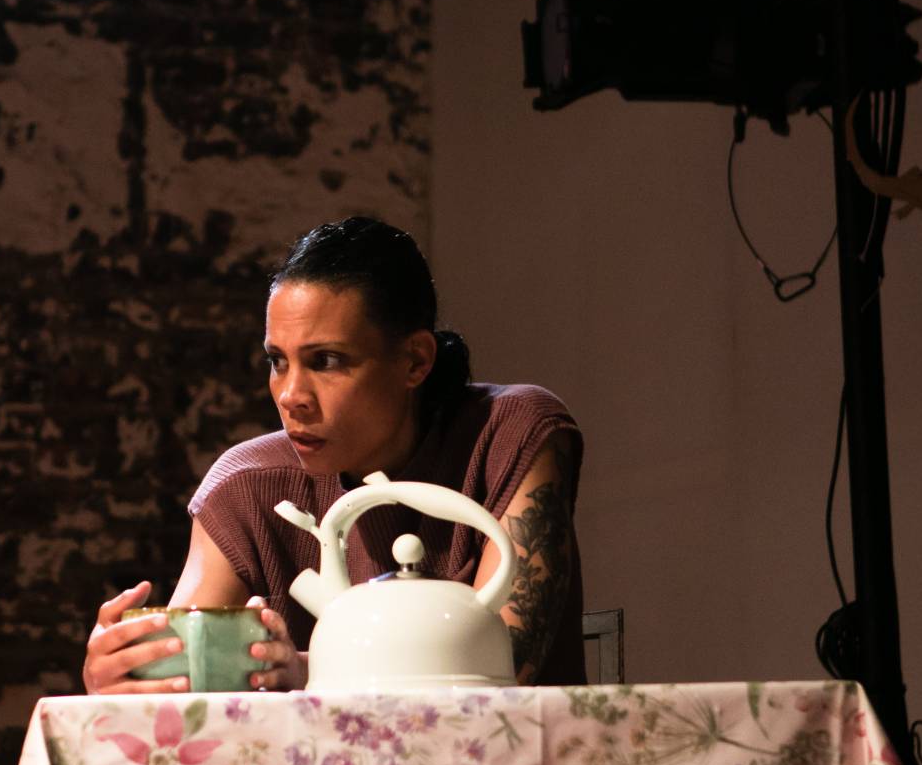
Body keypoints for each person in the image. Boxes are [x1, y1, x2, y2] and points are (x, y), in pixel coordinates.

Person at [82, 217, 584, 693]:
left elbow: (500, 668)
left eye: (326, 361)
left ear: (414, 360)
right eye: (277, 362)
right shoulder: (246, 486)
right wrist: (126, 675)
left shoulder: (512, 434)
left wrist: (304, 670)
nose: (290, 395)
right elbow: (180, 687)